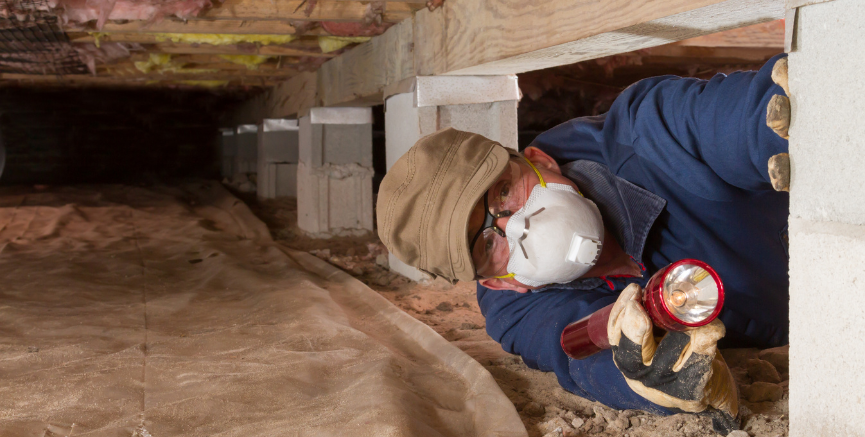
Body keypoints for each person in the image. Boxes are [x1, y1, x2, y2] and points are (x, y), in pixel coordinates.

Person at [376, 54, 791, 433]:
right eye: (486, 245)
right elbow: (577, 355)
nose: (516, 226)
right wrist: (643, 377)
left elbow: (730, 119)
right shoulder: (517, 313)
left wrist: (784, 116)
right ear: (499, 283)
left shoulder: (646, 135)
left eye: (503, 194)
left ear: (539, 161)